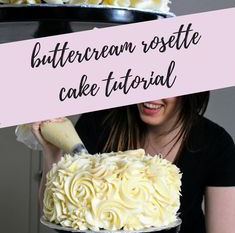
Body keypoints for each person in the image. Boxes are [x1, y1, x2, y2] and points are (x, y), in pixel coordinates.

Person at [31, 92, 235, 233]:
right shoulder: (99, 123)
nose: (150, 95)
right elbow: (55, 210)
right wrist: (52, 152)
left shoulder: (215, 142)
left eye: (166, 84)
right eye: (145, 80)